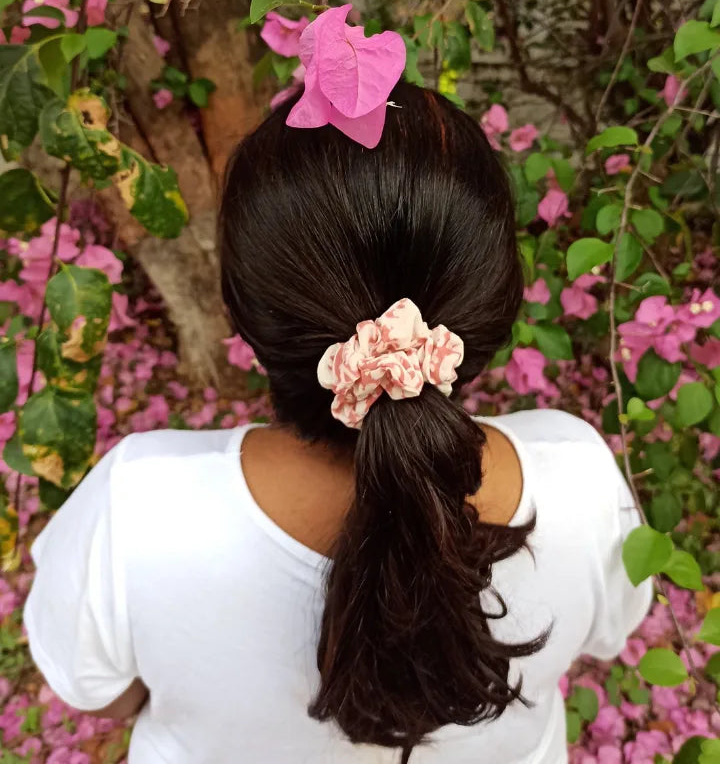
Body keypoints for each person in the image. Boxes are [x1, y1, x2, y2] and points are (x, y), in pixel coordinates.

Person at [24, 82, 652, 764]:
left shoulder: (138, 505)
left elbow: (98, 690)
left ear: (244, 313)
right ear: (495, 299)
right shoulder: (581, 477)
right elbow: (606, 633)